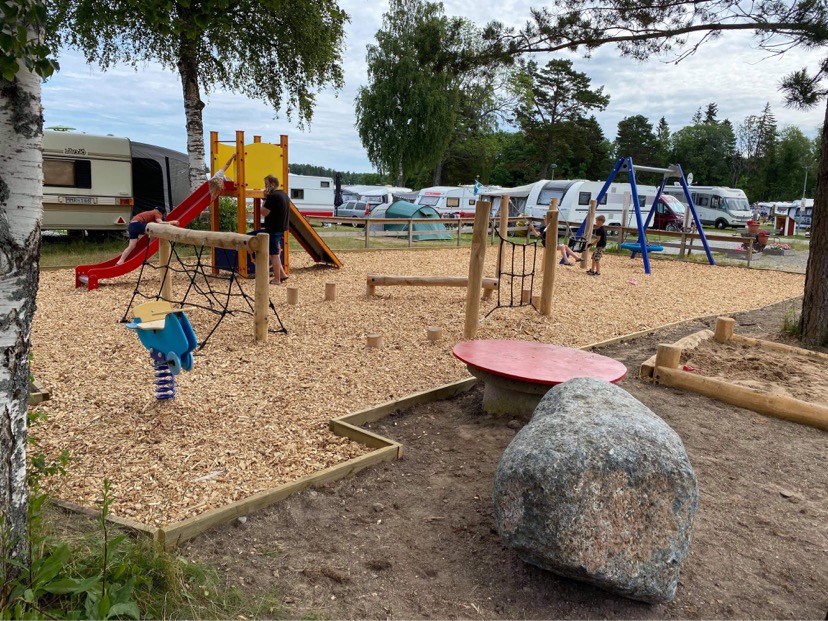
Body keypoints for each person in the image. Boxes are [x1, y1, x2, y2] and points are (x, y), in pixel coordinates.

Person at [256, 174, 290, 285]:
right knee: (275, 252)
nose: (265, 187)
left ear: (273, 184)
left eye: (266, 184)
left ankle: (277, 279)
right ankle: (282, 275)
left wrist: (265, 199)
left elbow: (264, 212)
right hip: (281, 227)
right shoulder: (284, 194)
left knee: (274, 254)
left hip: (273, 229)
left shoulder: (272, 197)